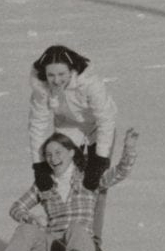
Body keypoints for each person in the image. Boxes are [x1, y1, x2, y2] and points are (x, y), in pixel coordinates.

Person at [0, 127, 139, 251]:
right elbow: (16, 207)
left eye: (58, 152)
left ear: (71, 152)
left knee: (75, 228)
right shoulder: (44, 184)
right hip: (53, 249)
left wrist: (130, 148)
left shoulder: (88, 179)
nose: (53, 158)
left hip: (82, 245)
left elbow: (120, 172)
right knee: (26, 229)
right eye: (48, 155)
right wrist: (29, 218)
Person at [28, 45, 117, 192]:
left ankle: (93, 205)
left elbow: (105, 119)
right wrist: (39, 166)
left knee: (94, 180)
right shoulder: (42, 89)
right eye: (51, 75)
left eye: (61, 74)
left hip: (97, 127)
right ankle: (62, 208)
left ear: (71, 70)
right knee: (62, 172)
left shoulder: (90, 84)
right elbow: (37, 126)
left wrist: (100, 159)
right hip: (67, 127)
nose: (56, 80)